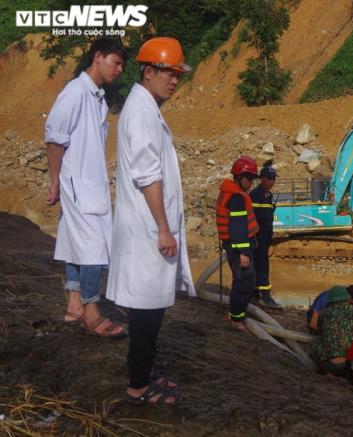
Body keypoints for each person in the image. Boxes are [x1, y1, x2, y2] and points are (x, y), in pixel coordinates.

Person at [106, 37, 195, 406]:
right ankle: (138, 385)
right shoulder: (141, 112)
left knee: (151, 309)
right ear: (148, 71)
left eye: (177, 74)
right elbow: (148, 175)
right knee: (144, 310)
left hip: (148, 228)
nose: (174, 80)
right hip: (147, 231)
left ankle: (146, 371)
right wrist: (162, 226)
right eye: (167, 72)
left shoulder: (146, 108)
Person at [45, 37, 126, 337]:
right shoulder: (75, 92)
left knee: (76, 245)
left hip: (90, 183)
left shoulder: (97, 98)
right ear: (98, 56)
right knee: (94, 249)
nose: (119, 69)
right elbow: (55, 137)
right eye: (115, 62)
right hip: (79, 184)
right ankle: (92, 312)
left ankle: (74, 306)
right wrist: (55, 181)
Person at [216, 156, 260, 330]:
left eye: (252, 179)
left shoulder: (233, 193)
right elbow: (238, 227)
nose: (251, 183)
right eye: (248, 179)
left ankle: (236, 314)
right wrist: (244, 253)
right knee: (245, 282)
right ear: (238, 177)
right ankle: (236, 319)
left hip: (237, 245)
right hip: (239, 247)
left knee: (241, 280)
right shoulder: (236, 198)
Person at [311, 286, 353, 376]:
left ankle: (328, 372)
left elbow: (318, 328)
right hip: (352, 361)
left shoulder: (324, 313)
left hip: (335, 364)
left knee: (314, 343)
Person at [249, 163, 282, 309]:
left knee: (260, 265)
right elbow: (252, 218)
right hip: (258, 237)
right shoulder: (255, 195)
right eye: (269, 178)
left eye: (274, 178)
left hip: (266, 237)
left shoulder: (269, 195)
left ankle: (255, 293)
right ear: (262, 179)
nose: (272, 181)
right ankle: (265, 295)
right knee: (261, 266)